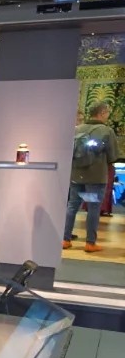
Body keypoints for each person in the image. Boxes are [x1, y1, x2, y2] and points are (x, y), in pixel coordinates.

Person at [64, 101, 118, 253]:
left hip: (76, 175)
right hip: (95, 178)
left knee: (72, 206)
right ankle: (90, 243)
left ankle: (65, 239)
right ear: (102, 113)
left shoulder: (77, 129)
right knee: (93, 208)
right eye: (107, 113)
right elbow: (113, 156)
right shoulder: (106, 131)